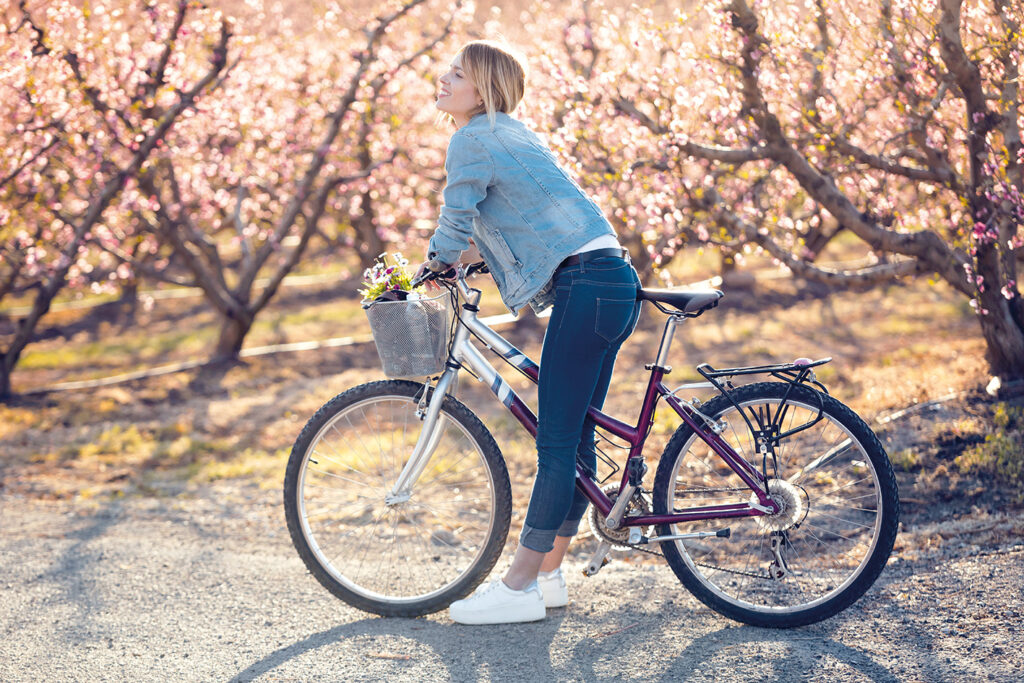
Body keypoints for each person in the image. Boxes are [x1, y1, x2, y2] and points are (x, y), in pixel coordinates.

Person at [421, 40, 642, 625]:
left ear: (483, 88)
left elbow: (457, 216)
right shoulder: (515, 133)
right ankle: (548, 575)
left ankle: (517, 588)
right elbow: (520, 225)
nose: (442, 79)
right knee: (577, 438)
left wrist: (435, 261)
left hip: (587, 286)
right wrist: (467, 259)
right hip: (611, 279)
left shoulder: (470, 138)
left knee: (556, 444)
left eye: (457, 74)